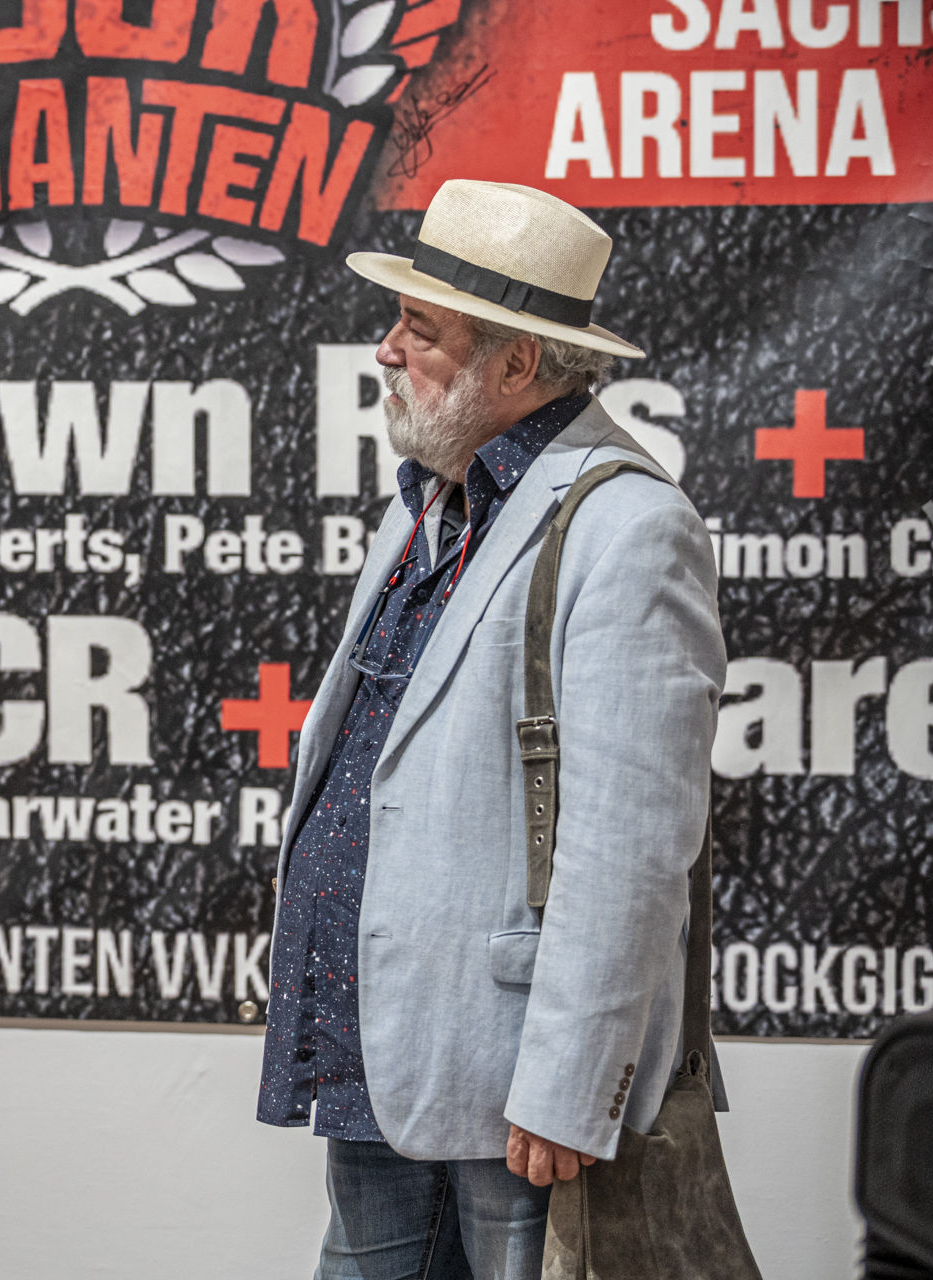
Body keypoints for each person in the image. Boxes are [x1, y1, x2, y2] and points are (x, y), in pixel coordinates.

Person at [257, 180, 726, 1278]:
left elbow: (631, 841)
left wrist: (573, 1081)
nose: (386, 350)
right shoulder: (433, 497)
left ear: (516, 365)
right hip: (387, 1050)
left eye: (420, 330)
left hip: (516, 1089)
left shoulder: (629, 525)